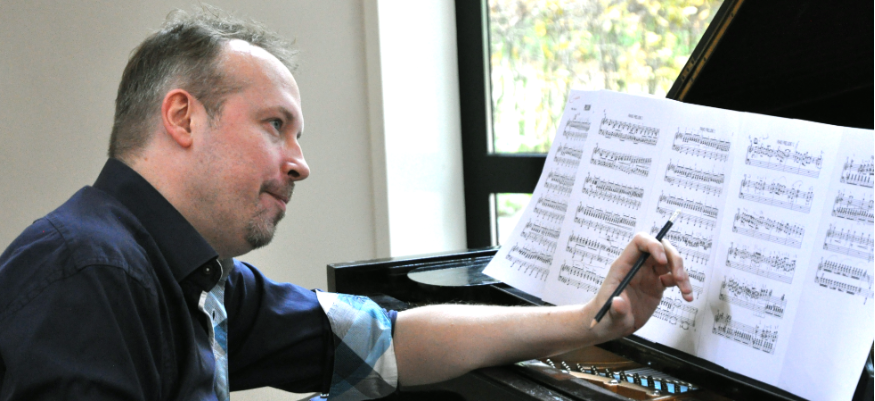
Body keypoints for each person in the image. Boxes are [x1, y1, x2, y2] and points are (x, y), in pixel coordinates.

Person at [0, 7, 693, 401]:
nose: (300, 162)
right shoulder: (87, 274)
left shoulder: (197, 275)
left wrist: (587, 319)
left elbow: (390, 340)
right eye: (275, 125)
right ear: (182, 117)